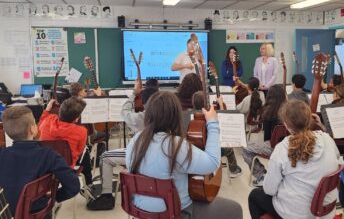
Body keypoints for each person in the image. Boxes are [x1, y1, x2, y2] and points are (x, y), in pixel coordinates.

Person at [126, 91, 242, 219]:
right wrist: (213, 123)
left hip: (139, 212)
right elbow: (213, 162)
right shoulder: (176, 146)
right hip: (176, 212)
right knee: (235, 209)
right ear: (175, 116)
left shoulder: (135, 141)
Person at [248, 100, 344, 219]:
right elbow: (341, 164)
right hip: (326, 211)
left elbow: (269, 190)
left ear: (286, 125)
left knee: (254, 196)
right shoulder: (327, 139)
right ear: (310, 119)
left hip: (296, 214)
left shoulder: (282, 148)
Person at [86, 82, 159, 210]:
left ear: (143, 102)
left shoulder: (140, 118)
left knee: (104, 157)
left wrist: (133, 94)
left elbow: (124, 111)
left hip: (141, 154)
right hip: (160, 156)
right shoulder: (167, 115)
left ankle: (107, 196)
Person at [0, 106, 80, 216]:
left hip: (5, 213)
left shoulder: (2, 155)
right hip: (37, 214)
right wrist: (54, 197)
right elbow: (73, 186)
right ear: (33, 129)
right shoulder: (49, 156)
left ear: (6, 131)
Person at [183, 91, 243, 178]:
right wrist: (221, 105)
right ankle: (234, 170)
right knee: (229, 149)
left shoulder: (187, 114)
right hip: (209, 153)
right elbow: (223, 122)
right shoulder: (211, 116)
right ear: (207, 102)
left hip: (192, 152)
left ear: (193, 103)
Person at [242, 85, 286, 186]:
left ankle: (261, 175)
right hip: (290, 147)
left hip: (274, 147)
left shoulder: (268, 112)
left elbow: (267, 138)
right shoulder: (289, 110)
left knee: (245, 148)